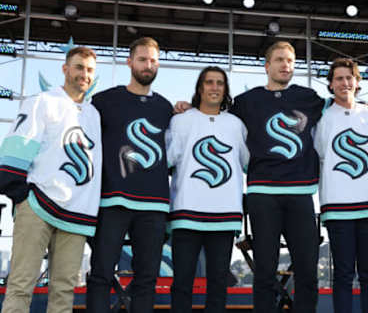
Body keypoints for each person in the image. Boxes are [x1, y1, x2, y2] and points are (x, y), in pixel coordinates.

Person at [175, 41, 368, 312]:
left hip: (301, 195)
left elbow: (344, 103)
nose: (285, 65)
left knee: (307, 271)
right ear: (267, 66)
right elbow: (213, 114)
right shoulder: (247, 101)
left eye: (289, 60)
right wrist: (186, 106)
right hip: (263, 195)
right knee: (265, 271)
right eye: (279, 60)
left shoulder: (308, 98)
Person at [0, 47, 101, 313]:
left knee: (64, 291)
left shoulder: (94, 114)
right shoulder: (42, 101)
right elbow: (14, 150)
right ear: (65, 69)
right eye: (78, 67)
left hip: (77, 214)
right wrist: (23, 197)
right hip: (38, 207)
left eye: (89, 70)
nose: (84, 74)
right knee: (22, 284)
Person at [86, 37, 173, 313]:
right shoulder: (103, 101)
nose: (148, 65)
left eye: (153, 61)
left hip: (154, 205)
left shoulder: (166, 108)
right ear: (129, 62)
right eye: (143, 59)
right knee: (101, 274)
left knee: (147, 280)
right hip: (113, 201)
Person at [166, 66, 249, 313]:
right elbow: (167, 160)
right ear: (200, 88)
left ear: (225, 90)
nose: (214, 87)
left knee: (218, 285)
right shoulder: (180, 121)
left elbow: (248, 162)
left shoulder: (236, 124)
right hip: (186, 214)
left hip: (224, 216)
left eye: (220, 83)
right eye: (209, 82)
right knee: (182, 284)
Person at [313, 58, 368, 313]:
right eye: (339, 78)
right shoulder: (322, 118)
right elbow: (319, 154)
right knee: (343, 276)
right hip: (338, 207)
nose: (345, 83)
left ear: (357, 82)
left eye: (349, 78)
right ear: (331, 84)